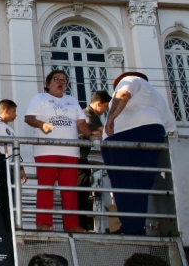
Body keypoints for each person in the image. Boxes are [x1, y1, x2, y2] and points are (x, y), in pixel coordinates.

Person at [102, 72, 177, 235]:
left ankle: (131, 227)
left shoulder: (130, 79)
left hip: (125, 134)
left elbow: (123, 94)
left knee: (123, 181)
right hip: (153, 132)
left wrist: (111, 118)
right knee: (141, 181)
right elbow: (171, 128)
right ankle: (134, 226)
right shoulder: (157, 98)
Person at [25, 70, 94, 232]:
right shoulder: (40, 98)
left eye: (64, 80)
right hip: (46, 150)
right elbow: (28, 118)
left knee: (70, 189)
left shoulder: (71, 100)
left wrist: (90, 135)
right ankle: (43, 223)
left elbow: (81, 122)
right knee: (46, 187)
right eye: (56, 79)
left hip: (70, 151)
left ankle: (72, 225)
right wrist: (42, 125)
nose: (60, 82)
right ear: (47, 84)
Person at [77, 90, 111, 231]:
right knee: (80, 193)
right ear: (98, 104)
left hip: (83, 159)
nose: (105, 110)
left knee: (83, 194)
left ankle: (81, 224)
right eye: (105, 107)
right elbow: (100, 133)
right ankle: (80, 225)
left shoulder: (93, 116)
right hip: (80, 159)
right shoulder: (88, 116)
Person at [0, 99, 27, 183]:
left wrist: (21, 169)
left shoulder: (11, 130)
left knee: (12, 191)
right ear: (6, 111)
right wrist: (0, 157)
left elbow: (15, 151)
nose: (16, 114)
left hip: (10, 165)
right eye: (14, 111)